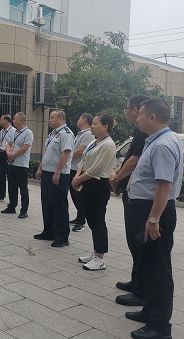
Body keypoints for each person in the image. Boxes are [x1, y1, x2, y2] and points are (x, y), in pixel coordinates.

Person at [125, 99, 182, 339]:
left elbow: (164, 186)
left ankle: (160, 327)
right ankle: (150, 311)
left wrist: (153, 219)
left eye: (141, 114)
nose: (137, 117)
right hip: (147, 209)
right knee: (149, 265)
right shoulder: (156, 141)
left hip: (154, 211)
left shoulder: (163, 145)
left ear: (152, 117)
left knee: (158, 269)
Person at [109, 95, 149, 307]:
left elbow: (133, 161)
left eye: (127, 109)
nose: (125, 112)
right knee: (133, 240)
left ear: (135, 110)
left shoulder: (144, 133)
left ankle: (141, 289)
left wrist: (117, 178)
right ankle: (136, 281)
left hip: (141, 197)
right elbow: (128, 159)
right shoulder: (138, 132)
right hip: (132, 193)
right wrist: (117, 172)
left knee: (138, 242)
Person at [72, 113, 117, 270]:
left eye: (95, 123)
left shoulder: (108, 145)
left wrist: (78, 179)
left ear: (105, 126)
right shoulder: (94, 141)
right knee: (91, 218)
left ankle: (100, 258)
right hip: (87, 181)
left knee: (98, 220)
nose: (92, 126)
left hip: (98, 184)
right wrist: (77, 176)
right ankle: (96, 252)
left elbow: (96, 169)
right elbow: (83, 161)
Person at [34, 110, 74, 247]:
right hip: (47, 172)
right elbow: (47, 154)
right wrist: (40, 168)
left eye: (52, 117)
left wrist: (57, 172)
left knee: (59, 205)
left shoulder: (66, 134)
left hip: (59, 174)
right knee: (47, 203)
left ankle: (62, 236)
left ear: (61, 118)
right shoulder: (53, 134)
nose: (49, 120)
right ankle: (49, 231)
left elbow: (65, 154)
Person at [1, 113, 33, 218]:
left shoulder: (28, 133)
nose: (13, 121)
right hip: (12, 163)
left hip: (21, 164)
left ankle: (24, 210)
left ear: (20, 120)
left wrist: (13, 155)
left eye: (14, 119)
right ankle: (12, 206)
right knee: (12, 186)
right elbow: (9, 144)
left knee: (23, 188)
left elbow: (25, 147)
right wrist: (8, 152)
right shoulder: (15, 132)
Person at [69, 113, 95, 232]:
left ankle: (81, 221)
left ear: (84, 120)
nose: (78, 120)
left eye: (79, 118)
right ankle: (79, 217)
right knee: (75, 195)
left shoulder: (88, 134)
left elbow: (81, 151)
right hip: (74, 167)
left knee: (79, 196)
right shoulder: (81, 133)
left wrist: (67, 157)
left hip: (79, 169)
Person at [0, 115, 14, 201]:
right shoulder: (2, 131)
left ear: (6, 121)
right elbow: (2, 142)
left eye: (1, 120)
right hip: (1, 153)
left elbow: (12, 144)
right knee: (1, 174)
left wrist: (9, 153)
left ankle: (12, 196)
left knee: (10, 175)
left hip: (8, 154)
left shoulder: (13, 131)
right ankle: (1, 194)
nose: (0, 121)